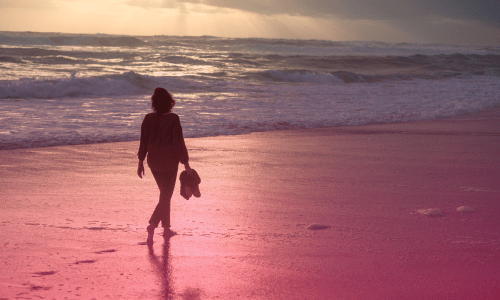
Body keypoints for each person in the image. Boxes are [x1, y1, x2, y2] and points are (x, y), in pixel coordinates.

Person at [137, 87, 191, 243]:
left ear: (154, 102)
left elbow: (143, 143)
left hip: (153, 162)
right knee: (166, 195)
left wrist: (140, 162)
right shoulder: (173, 119)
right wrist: (186, 163)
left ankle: (166, 229)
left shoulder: (148, 119)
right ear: (169, 102)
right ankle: (153, 225)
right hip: (169, 162)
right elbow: (178, 143)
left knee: (164, 194)